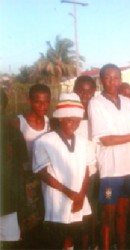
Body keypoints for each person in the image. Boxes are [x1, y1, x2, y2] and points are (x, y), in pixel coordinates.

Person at [88, 63, 130, 250]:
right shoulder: (96, 103)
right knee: (107, 217)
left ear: (120, 79)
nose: (112, 82)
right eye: (107, 78)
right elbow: (107, 140)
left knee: (123, 213)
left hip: (128, 168)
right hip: (110, 169)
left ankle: (123, 246)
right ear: (101, 80)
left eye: (116, 77)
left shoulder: (127, 103)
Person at [32, 93, 94, 249]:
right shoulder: (44, 141)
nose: (74, 125)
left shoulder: (83, 142)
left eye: (78, 121)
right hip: (57, 200)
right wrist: (70, 193)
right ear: (60, 118)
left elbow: (87, 169)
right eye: (70, 121)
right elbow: (43, 174)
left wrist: (80, 195)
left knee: (77, 237)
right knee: (58, 240)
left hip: (79, 198)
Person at [11, 83, 51, 248]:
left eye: (46, 102)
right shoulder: (18, 122)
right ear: (29, 101)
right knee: (26, 218)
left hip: (44, 176)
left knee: (43, 215)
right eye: (38, 102)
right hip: (25, 177)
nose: (42, 106)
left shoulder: (49, 122)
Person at [73, 75, 99, 249]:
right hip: (73, 172)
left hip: (94, 171)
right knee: (74, 213)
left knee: (92, 212)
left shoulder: (98, 115)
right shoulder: (70, 116)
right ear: (75, 92)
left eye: (89, 91)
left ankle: (90, 244)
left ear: (94, 92)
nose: (85, 95)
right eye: (81, 91)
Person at [0, 89, 27, 249]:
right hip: (9, 197)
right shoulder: (14, 132)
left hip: (8, 197)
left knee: (10, 239)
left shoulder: (13, 133)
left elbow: (21, 163)